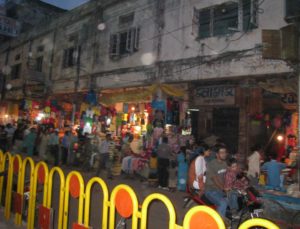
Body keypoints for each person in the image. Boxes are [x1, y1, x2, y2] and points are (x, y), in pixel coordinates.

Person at [205, 145, 238, 220]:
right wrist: (223, 188)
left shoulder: (225, 164)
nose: (224, 154)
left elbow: (231, 173)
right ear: (217, 154)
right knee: (223, 203)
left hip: (221, 190)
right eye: (221, 152)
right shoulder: (211, 164)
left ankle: (233, 213)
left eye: (225, 152)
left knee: (235, 195)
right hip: (211, 190)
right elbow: (214, 179)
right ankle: (218, 223)